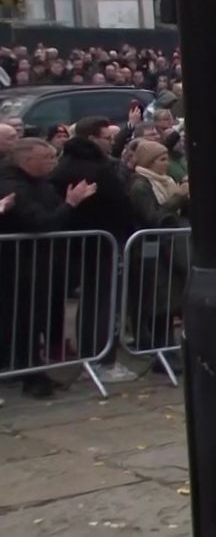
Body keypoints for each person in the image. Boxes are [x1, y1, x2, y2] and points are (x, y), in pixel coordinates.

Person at [0, 139, 97, 397]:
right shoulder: (13, 186)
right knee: (23, 323)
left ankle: (34, 372)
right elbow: (41, 222)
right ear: (27, 161)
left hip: (43, 265)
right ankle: (29, 376)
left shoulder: (42, 185)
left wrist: (69, 206)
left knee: (36, 322)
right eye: (47, 157)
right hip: (20, 267)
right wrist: (70, 204)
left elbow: (57, 215)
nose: (54, 161)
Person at [50, 117, 138, 383]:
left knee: (92, 303)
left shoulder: (70, 164)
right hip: (101, 242)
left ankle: (93, 355)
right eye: (106, 138)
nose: (111, 143)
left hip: (88, 242)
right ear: (92, 139)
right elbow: (117, 203)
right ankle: (101, 359)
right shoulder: (94, 168)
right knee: (101, 304)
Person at [127, 140, 189, 369]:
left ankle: (168, 350)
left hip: (168, 247)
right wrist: (179, 198)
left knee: (170, 301)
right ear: (149, 162)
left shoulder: (166, 182)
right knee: (158, 301)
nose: (166, 164)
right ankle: (160, 353)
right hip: (149, 250)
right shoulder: (140, 186)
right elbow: (153, 216)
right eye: (161, 160)